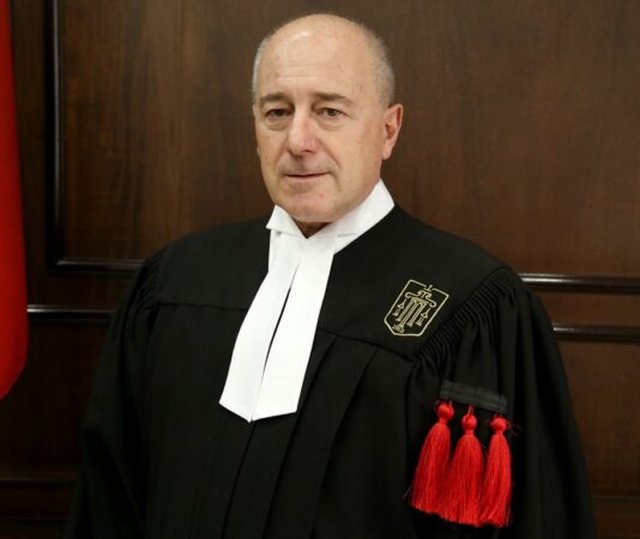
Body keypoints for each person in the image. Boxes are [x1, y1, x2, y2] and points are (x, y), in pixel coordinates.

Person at [65, 13, 596, 539]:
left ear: (388, 129)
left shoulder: (474, 305)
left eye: (330, 111)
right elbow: (110, 502)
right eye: (277, 112)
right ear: (255, 128)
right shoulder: (175, 282)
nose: (298, 140)